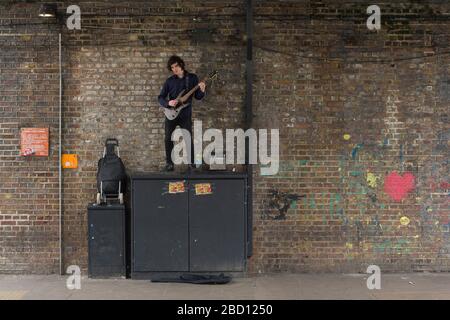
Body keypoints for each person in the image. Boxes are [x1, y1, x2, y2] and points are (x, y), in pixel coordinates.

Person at [158, 55, 206, 171]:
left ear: (181, 65)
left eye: (176, 66)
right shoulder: (169, 81)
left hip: (185, 114)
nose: (174, 69)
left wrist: (202, 90)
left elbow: (198, 97)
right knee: (168, 138)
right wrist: (169, 102)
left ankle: (191, 164)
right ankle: (169, 164)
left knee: (188, 137)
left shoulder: (192, 78)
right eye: (172, 67)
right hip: (171, 114)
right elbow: (160, 97)